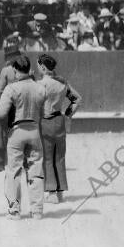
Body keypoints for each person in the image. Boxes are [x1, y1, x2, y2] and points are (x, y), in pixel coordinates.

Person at [0, 55, 46, 220]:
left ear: (14, 70)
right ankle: (37, 210)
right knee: (36, 170)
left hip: (16, 131)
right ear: (29, 70)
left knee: (14, 171)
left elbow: (0, 112)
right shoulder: (40, 88)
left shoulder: (12, 88)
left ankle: (14, 210)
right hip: (34, 130)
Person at [37, 54, 82, 204]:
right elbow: (77, 99)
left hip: (45, 122)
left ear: (43, 67)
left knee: (48, 158)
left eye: (39, 65)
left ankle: (51, 193)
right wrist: (67, 114)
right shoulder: (62, 83)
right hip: (59, 120)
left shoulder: (40, 85)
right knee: (60, 157)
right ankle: (60, 192)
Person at [0, 36, 21, 171]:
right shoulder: (28, 69)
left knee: (0, 131)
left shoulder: (6, 70)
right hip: (23, 107)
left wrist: (1, 102)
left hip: (9, 106)